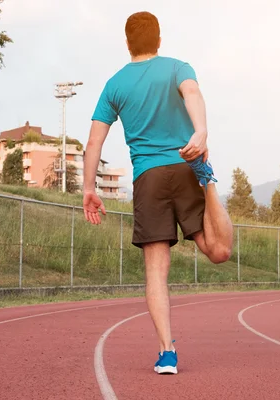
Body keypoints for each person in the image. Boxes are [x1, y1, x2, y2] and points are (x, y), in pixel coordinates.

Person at [82, 11, 234, 375]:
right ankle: (208, 179)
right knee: (219, 251)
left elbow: (93, 142)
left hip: (148, 178)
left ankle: (167, 353)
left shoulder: (115, 84)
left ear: (127, 44)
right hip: (186, 165)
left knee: (156, 271)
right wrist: (201, 132)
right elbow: (193, 92)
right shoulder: (178, 67)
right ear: (159, 40)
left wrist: (89, 188)